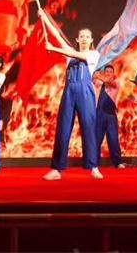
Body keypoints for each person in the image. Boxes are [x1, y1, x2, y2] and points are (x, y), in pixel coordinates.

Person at [40, 10, 103, 181]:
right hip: (69, 92)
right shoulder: (69, 52)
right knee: (63, 129)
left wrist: (53, 49)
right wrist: (44, 18)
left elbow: (76, 55)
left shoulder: (93, 54)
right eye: (81, 36)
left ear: (91, 40)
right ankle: (56, 169)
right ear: (77, 39)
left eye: (87, 37)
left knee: (88, 128)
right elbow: (57, 36)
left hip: (85, 92)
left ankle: (94, 167)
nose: (84, 39)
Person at [94, 64, 126, 169]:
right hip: (99, 114)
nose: (108, 73)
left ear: (113, 74)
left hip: (111, 115)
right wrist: (95, 74)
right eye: (106, 71)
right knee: (97, 139)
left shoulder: (116, 82)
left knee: (113, 139)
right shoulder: (99, 83)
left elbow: (109, 81)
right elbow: (94, 79)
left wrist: (99, 74)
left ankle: (118, 162)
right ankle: (94, 163)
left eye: (110, 72)